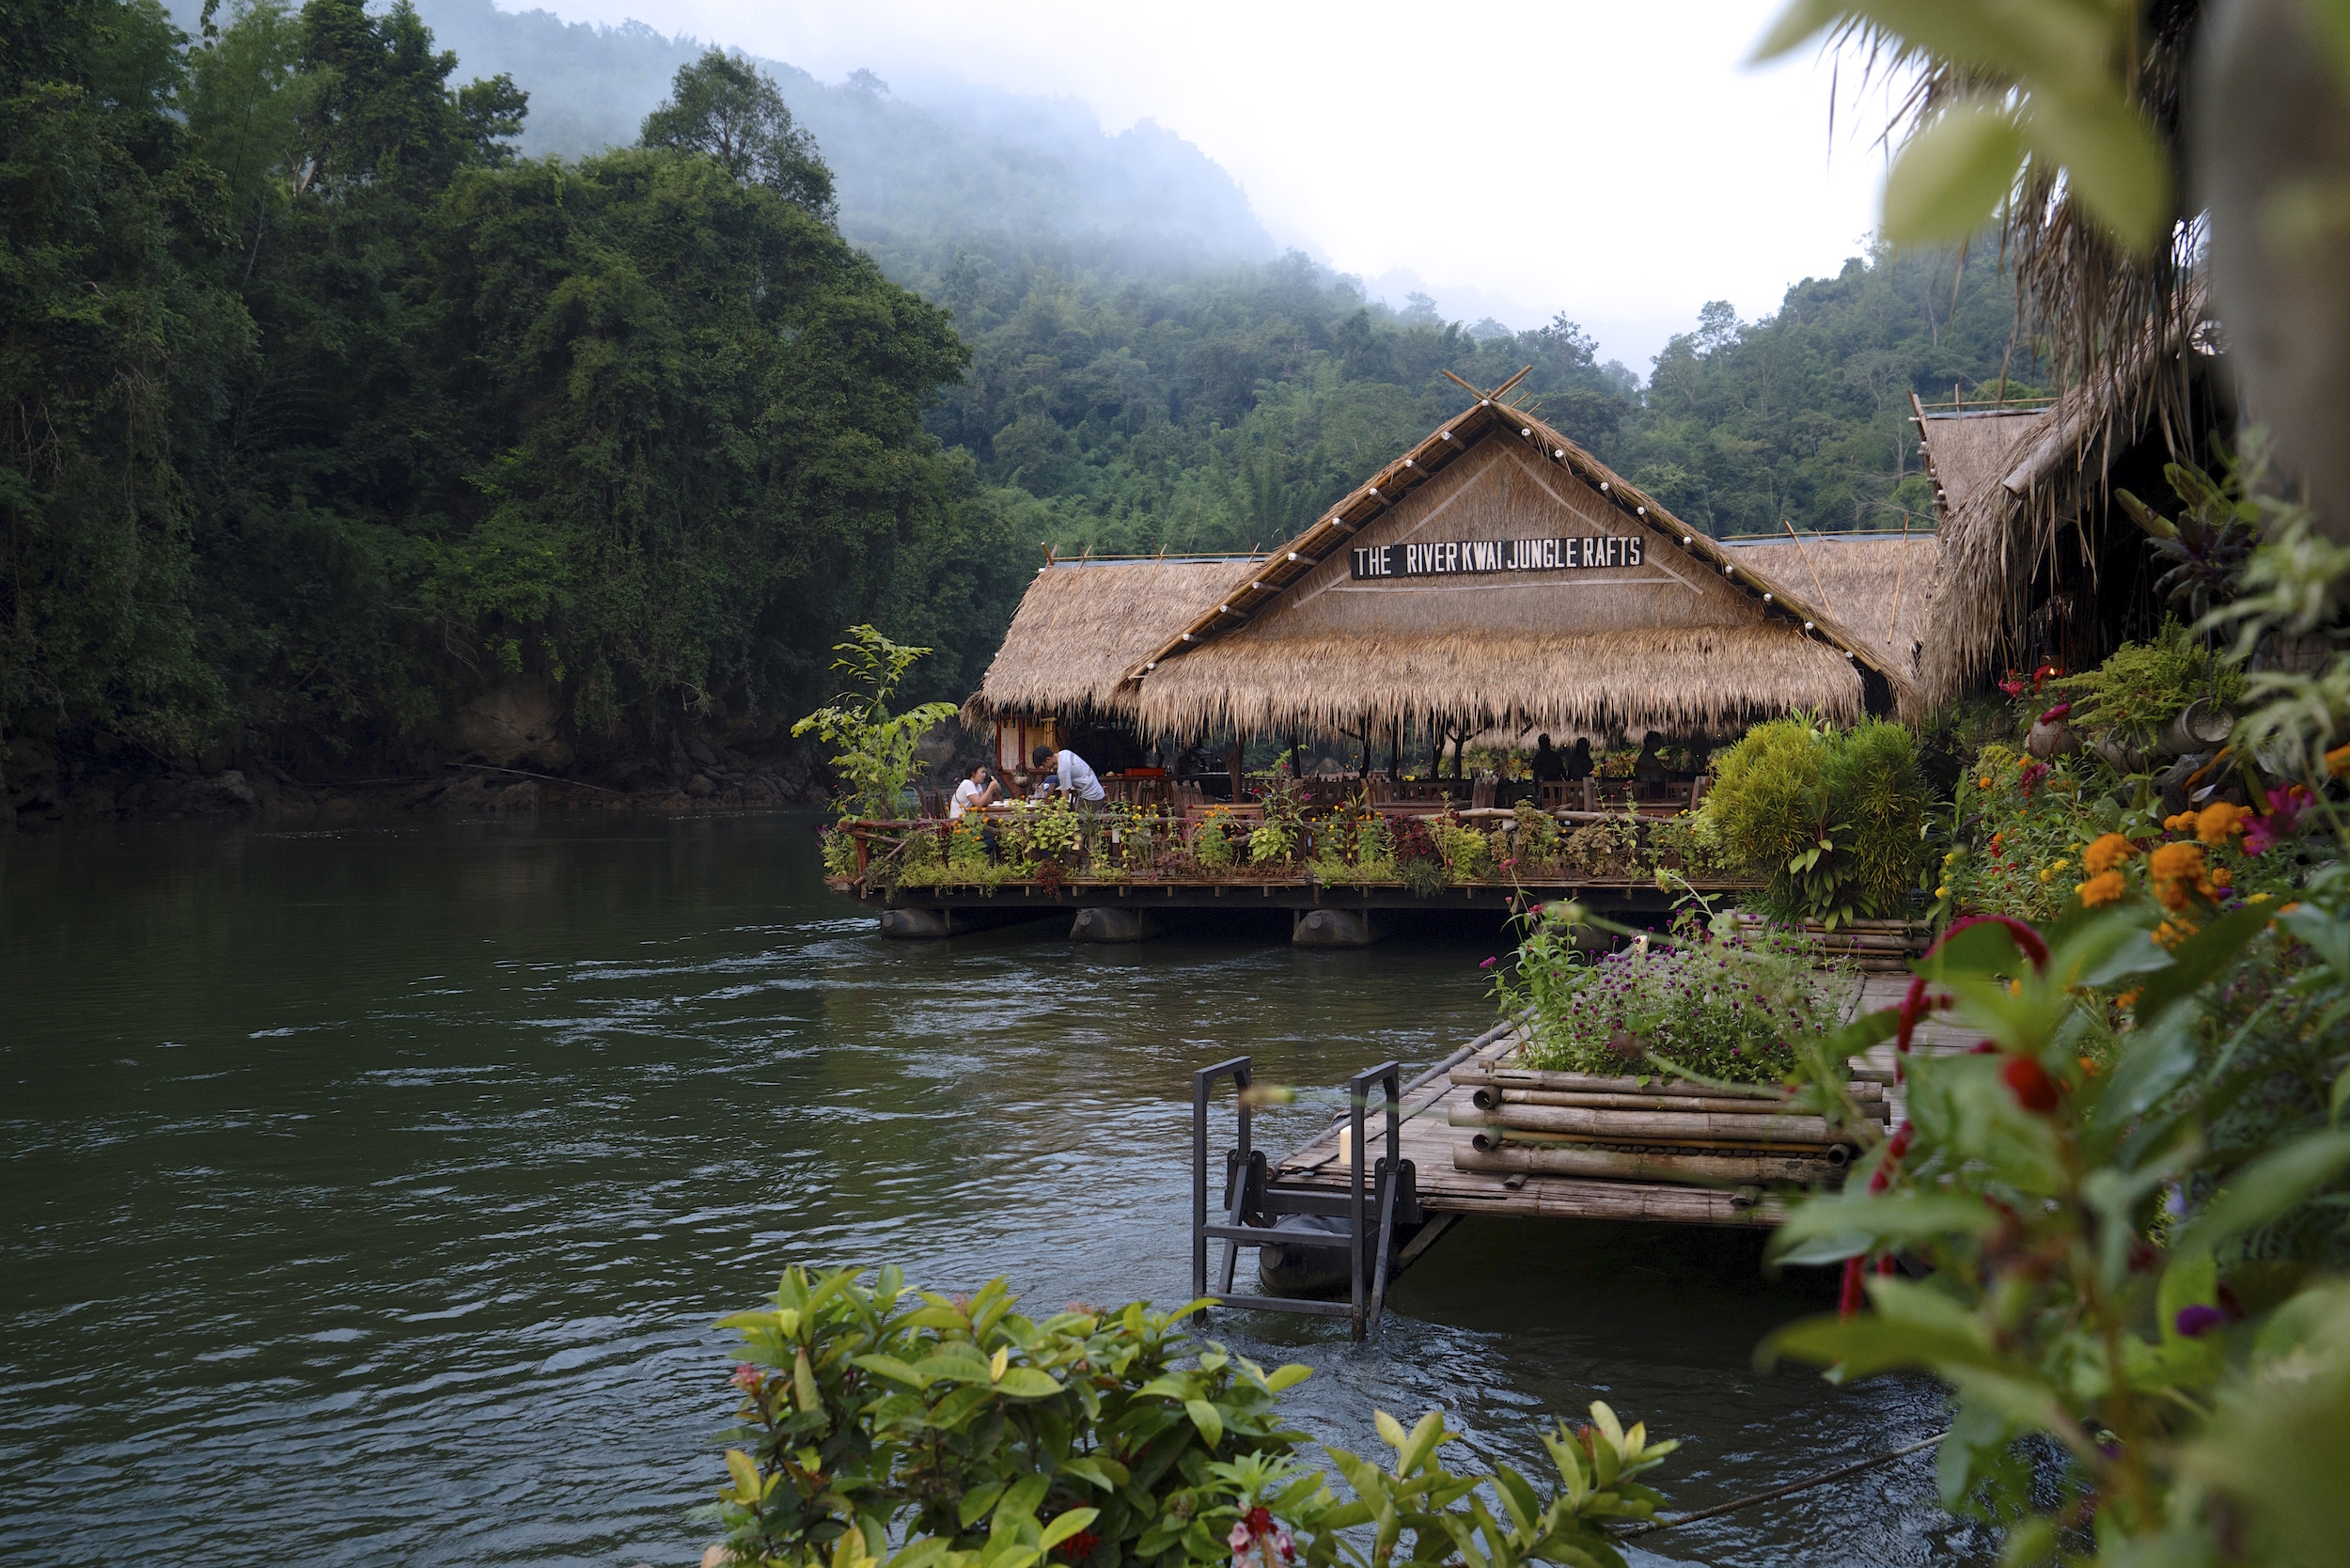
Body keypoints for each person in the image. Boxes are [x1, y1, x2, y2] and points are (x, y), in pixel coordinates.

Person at [1031, 743, 1106, 804]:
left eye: (1044, 765)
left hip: (1091, 796)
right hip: (1096, 790)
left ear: (1047, 759)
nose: (1046, 768)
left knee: (1081, 822)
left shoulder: (1063, 770)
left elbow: (1065, 798)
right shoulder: (1065, 753)